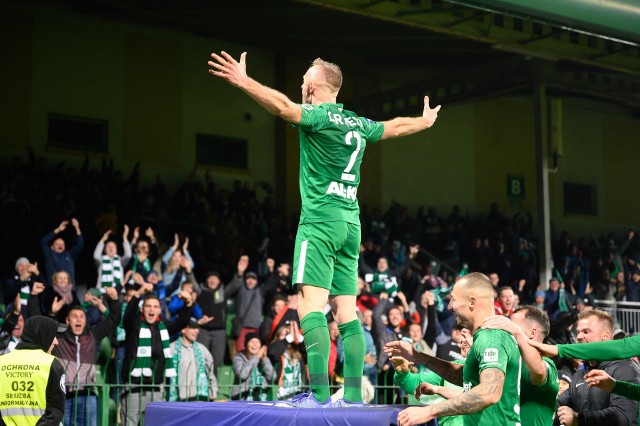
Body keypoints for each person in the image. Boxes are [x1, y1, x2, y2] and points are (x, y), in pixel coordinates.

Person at [208, 51, 440, 406]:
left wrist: (243, 81)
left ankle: (316, 396)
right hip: (351, 224)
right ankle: (350, 396)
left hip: (319, 222)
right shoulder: (358, 123)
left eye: (304, 78)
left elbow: (283, 107)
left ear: (313, 86)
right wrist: (423, 122)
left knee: (309, 306)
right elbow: (393, 127)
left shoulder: (318, 116)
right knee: (346, 313)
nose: (301, 82)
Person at [384, 272, 521, 426]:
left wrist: (429, 411)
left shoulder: (491, 337)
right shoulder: (486, 336)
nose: (449, 306)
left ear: (472, 302)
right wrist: (417, 356)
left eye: (453, 299)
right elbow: (465, 378)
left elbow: (489, 392)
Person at [545, 310, 640, 426]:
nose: (579, 337)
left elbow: (623, 417)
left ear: (606, 336)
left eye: (586, 331)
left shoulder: (625, 368)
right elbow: (555, 410)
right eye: (578, 332)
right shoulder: (580, 375)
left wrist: (579, 419)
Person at [120, 284, 193, 426]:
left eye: (155, 307)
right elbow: (128, 314)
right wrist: (139, 293)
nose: (151, 309)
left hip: (156, 389)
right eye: (148, 306)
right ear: (142, 309)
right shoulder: (134, 324)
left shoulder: (163, 328)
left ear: (159, 310)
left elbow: (181, 322)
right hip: (133, 389)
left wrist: (188, 303)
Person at [482, 305, 558, 426]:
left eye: (511, 327)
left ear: (532, 333)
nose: (506, 332)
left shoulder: (546, 363)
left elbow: (538, 370)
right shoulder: (511, 362)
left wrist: (517, 333)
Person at [0, 316, 67, 426]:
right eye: (53, 336)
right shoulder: (51, 364)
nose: (56, 342)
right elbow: (56, 411)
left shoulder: (2, 362)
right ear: (42, 335)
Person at [169, 318, 217, 402]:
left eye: (197, 328)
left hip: (200, 399)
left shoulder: (202, 349)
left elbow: (210, 374)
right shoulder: (171, 349)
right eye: (193, 328)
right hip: (178, 401)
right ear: (183, 329)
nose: (197, 331)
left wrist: (213, 391)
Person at [40, 219, 84, 286]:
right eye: (57, 244)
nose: (60, 246)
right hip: (54, 290)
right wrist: (58, 229)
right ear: (52, 247)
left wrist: (77, 227)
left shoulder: (69, 255)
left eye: (62, 244)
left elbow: (80, 245)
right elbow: (43, 241)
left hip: (70, 290)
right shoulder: (49, 255)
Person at [93, 225, 132, 290]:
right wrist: (102, 240)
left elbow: (128, 255)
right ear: (104, 250)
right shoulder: (101, 260)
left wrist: (125, 237)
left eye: (113, 246)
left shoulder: (120, 261)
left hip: (118, 292)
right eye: (108, 246)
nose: (111, 248)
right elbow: (96, 256)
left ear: (116, 250)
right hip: (103, 291)